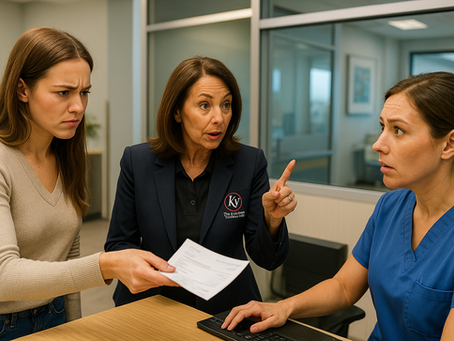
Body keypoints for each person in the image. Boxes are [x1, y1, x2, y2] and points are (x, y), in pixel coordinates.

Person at [222, 71, 454, 341]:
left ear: (448, 144)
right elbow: (344, 287)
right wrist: (283, 307)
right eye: (383, 127)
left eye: (398, 130)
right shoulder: (390, 207)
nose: (378, 145)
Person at [0, 27, 178, 340]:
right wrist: (106, 265)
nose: (79, 107)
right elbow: (3, 275)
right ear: (22, 90)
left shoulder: (64, 154)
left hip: (54, 314)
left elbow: (68, 250)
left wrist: (75, 328)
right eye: (63, 93)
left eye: (84, 92)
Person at [105, 55, 297, 314]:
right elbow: (118, 244)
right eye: (205, 105)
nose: (219, 117)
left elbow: (268, 259)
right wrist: (150, 271)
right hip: (151, 304)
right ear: (176, 111)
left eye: (226, 105)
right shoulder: (138, 162)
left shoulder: (248, 163)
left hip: (226, 310)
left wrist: (272, 220)